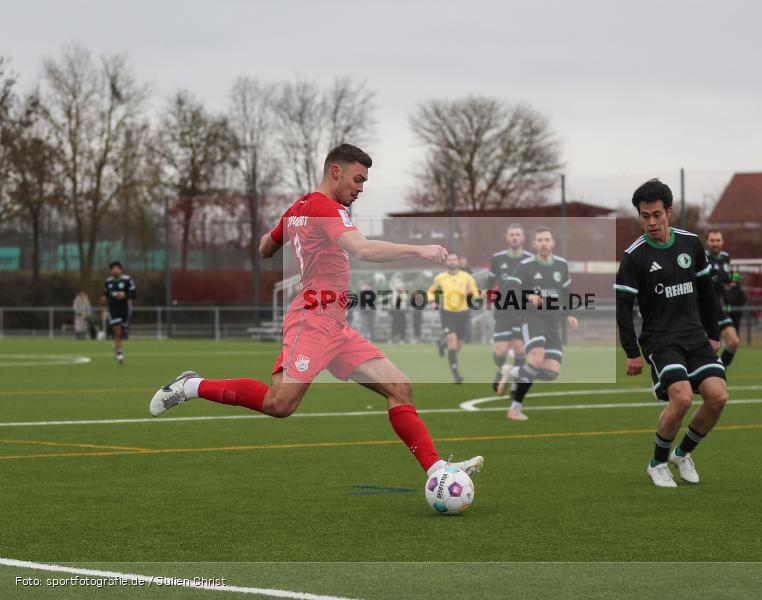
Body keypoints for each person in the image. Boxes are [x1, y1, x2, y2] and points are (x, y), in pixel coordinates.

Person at [149, 143, 483, 482]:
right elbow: (363, 248)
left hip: (336, 325)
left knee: (399, 387)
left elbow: (265, 247)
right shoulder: (327, 209)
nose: (360, 188)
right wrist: (418, 249)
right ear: (335, 172)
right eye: (357, 179)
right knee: (279, 404)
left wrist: (288, 226)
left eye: (365, 182)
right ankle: (191, 386)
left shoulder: (301, 206)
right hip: (311, 319)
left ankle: (437, 471)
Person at [613, 179, 728, 488]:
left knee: (718, 397)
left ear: (669, 212)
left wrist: (714, 332)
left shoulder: (691, 244)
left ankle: (683, 453)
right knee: (682, 398)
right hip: (660, 338)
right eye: (644, 215)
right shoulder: (634, 256)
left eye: (656, 215)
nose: (651, 222)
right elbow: (623, 307)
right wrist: (632, 351)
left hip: (695, 335)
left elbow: (707, 292)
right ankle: (657, 463)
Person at [495, 227, 578, 421]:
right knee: (535, 358)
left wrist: (569, 314)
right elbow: (508, 290)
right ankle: (514, 408)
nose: (543, 243)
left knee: (550, 372)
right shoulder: (525, 265)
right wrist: (528, 296)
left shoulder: (562, 265)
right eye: (539, 240)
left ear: (553, 243)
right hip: (531, 317)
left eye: (546, 239)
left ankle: (511, 371)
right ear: (534, 244)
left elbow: (565, 293)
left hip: (553, 320)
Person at [485, 224, 534, 392]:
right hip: (503, 310)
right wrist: (488, 301)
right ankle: (501, 370)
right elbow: (490, 281)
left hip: (523, 311)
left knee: (520, 349)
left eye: (518, 234)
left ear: (523, 238)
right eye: (512, 234)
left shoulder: (530, 259)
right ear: (507, 237)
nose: (515, 237)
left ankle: (516, 380)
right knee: (500, 351)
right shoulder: (497, 258)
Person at [427, 252, 479, 384]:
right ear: (446, 262)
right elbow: (430, 291)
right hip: (447, 313)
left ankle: (442, 344)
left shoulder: (466, 277)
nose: (452, 262)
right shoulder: (440, 278)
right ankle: (456, 374)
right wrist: (433, 301)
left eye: (454, 259)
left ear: (458, 262)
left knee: (458, 346)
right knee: (452, 341)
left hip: (463, 313)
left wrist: (473, 295)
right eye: (449, 259)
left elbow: (475, 291)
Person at [705, 230, 740, 369]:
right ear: (707, 242)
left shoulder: (726, 257)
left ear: (722, 242)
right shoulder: (703, 257)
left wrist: (732, 280)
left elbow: (726, 278)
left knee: (733, 341)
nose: (715, 243)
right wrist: (726, 278)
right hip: (703, 310)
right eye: (712, 240)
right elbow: (709, 280)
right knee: (708, 348)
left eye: (718, 240)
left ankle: (720, 369)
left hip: (719, 309)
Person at [102, 262, 136, 364]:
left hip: (124, 309)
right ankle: (119, 353)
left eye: (117, 268)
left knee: (121, 333)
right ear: (111, 270)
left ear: (120, 269)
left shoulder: (127, 280)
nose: (115, 270)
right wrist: (103, 298)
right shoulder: (108, 282)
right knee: (117, 330)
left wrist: (125, 295)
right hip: (113, 309)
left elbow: (134, 294)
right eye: (113, 268)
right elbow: (105, 294)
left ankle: (116, 346)